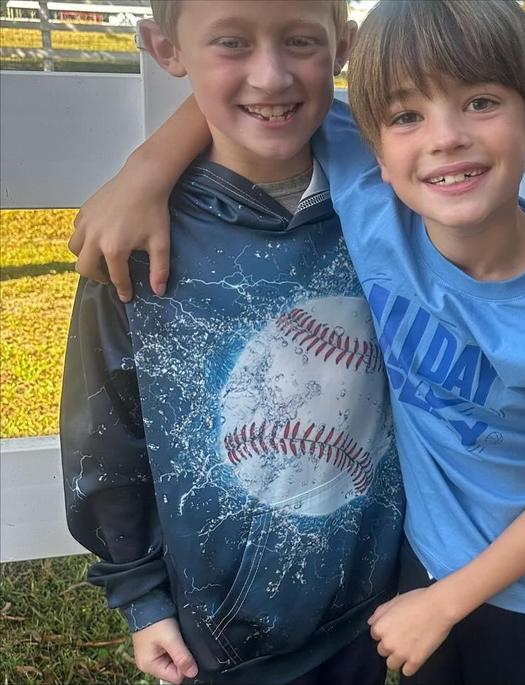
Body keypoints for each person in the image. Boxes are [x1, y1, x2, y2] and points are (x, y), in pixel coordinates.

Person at [64, 2, 525, 683]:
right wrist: (145, 169)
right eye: (408, 117)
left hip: (501, 603)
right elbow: (260, 95)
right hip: (341, 595)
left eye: (481, 104)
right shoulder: (369, 194)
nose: (444, 137)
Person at [60, 2, 405, 684]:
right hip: (220, 639)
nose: (271, 76)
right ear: (166, 48)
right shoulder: (137, 242)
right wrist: (140, 595)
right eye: (231, 43)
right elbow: (106, 435)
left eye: (299, 40)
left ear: (342, 46)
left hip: (372, 610)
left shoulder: (391, 192)